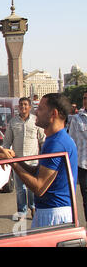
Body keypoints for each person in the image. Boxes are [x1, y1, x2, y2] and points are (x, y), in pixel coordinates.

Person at [0, 93, 78, 228]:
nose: (36, 111)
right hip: (48, 212)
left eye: (41, 109)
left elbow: (39, 187)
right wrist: (13, 158)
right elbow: (37, 171)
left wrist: (11, 162)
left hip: (53, 214)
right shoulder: (53, 140)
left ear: (53, 114)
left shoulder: (57, 144)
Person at [2, 97, 45, 221]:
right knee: (20, 189)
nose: (23, 107)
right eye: (21, 105)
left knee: (32, 188)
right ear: (18, 107)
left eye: (25, 105)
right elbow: (7, 142)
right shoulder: (13, 122)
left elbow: (42, 140)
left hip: (33, 161)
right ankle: (22, 211)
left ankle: (33, 207)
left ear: (30, 107)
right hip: (18, 162)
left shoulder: (36, 121)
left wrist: (44, 158)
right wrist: (5, 155)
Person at [68, 90, 87, 221]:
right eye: (85, 98)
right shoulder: (77, 118)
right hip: (83, 166)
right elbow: (72, 142)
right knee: (86, 198)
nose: (85, 100)